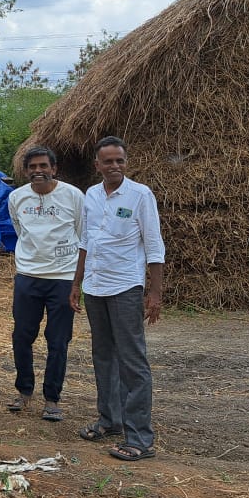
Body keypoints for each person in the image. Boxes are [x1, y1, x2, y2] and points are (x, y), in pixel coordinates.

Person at [70, 135, 165, 461]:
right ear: (97, 165)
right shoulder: (91, 196)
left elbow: (154, 247)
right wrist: (76, 283)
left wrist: (154, 293)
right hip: (95, 288)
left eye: (119, 161)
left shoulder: (140, 195)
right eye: (107, 161)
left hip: (125, 289)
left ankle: (139, 438)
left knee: (132, 362)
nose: (114, 166)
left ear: (126, 163)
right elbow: (86, 242)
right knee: (103, 357)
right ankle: (110, 420)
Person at [5, 145, 84, 422]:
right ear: (26, 171)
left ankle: (52, 398)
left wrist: (76, 281)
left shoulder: (73, 196)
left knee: (58, 340)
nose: (38, 171)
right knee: (22, 336)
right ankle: (24, 391)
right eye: (33, 167)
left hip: (62, 278)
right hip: (28, 276)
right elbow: (19, 230)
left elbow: (81, 234)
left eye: (43, 166)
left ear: (54, 168)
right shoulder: (16, 198)